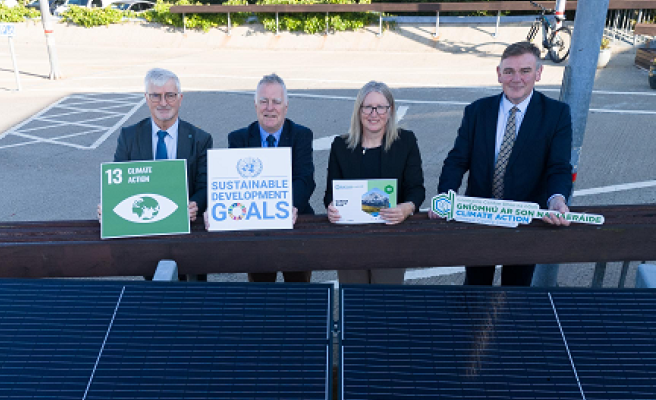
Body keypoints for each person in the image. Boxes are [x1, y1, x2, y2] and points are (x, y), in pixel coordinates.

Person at [432, 41, 573, 287]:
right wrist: (446, 195)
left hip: (526, 219)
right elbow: (457, 160)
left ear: (538, 73)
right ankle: (475, 324)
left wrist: (557, 199)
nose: (516, 78)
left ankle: (509, 324)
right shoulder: (477, 111)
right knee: (475, 287)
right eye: (509, 71)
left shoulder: (556, 114)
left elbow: (558, 166)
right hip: (478, 214)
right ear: (499, 74)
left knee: (516, 290)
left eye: (525, 71)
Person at [103, 67, 213, 282]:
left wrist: (195, 204)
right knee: (157, 296)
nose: (163, 102)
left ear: (180, 98)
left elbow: (206, 184)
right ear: (146, 98)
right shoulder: (129, 136)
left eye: (170, 95)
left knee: (195, 297)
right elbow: (120, 183)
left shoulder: (200, 139)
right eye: (156, 95)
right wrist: (109, 206)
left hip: (188, 231)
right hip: (148, 229)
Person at [324, 81, 425, 285]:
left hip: (390, 239)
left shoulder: (405, 142)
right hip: (350, 240)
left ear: (390, 111)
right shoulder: (340, 146)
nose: (374, 113)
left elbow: (416, 189)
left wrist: (407, 207)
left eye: (381, 107)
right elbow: (330, 194)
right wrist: (331, 207)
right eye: (368, 107)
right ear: (359, 110)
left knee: (385, 307)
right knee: (353, 304)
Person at [227, 73, 315, 283]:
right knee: (262, 293)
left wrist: (286, 207)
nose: (270, 108)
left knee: (299, 292)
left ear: (286, 106)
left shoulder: (301, 135)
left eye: (276, 102)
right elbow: (234, 186)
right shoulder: (238, 139)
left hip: (295, 221)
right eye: (264, 101)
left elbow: (305, 179)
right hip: (256, 228)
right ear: (255, 105)